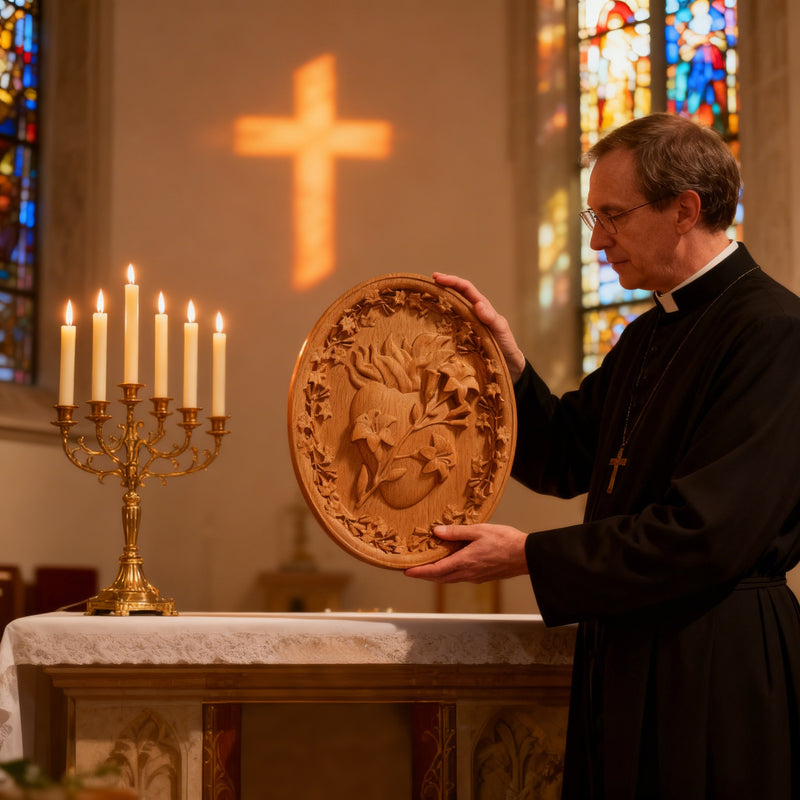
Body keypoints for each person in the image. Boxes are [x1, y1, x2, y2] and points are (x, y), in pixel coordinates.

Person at [405, 112, 800, 799]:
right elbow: (566, 453)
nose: (598, 242)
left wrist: (530, 556)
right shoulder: (649, 335)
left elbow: (707, 534)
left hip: (716, 666)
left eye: (612, 216)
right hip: (626, 652)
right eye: (594, 218)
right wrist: (508, 363)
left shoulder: (775, 332)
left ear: (686, 209)